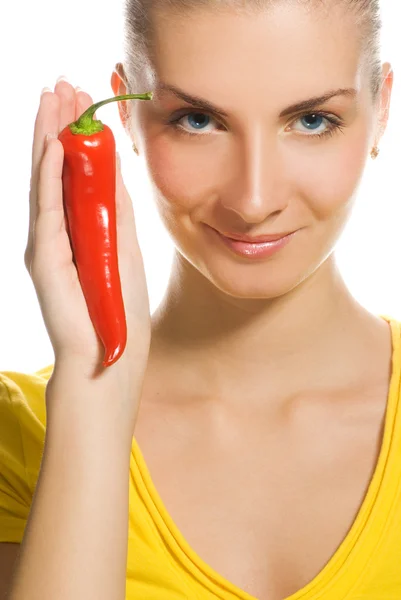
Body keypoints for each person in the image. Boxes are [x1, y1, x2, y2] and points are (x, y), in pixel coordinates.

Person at [0, 0, 399, 599]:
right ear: (128, 116)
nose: (253, 199)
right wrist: (96, 395)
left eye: (313, 120)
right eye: (196, 120)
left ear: (382, 111)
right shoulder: (21, 435)